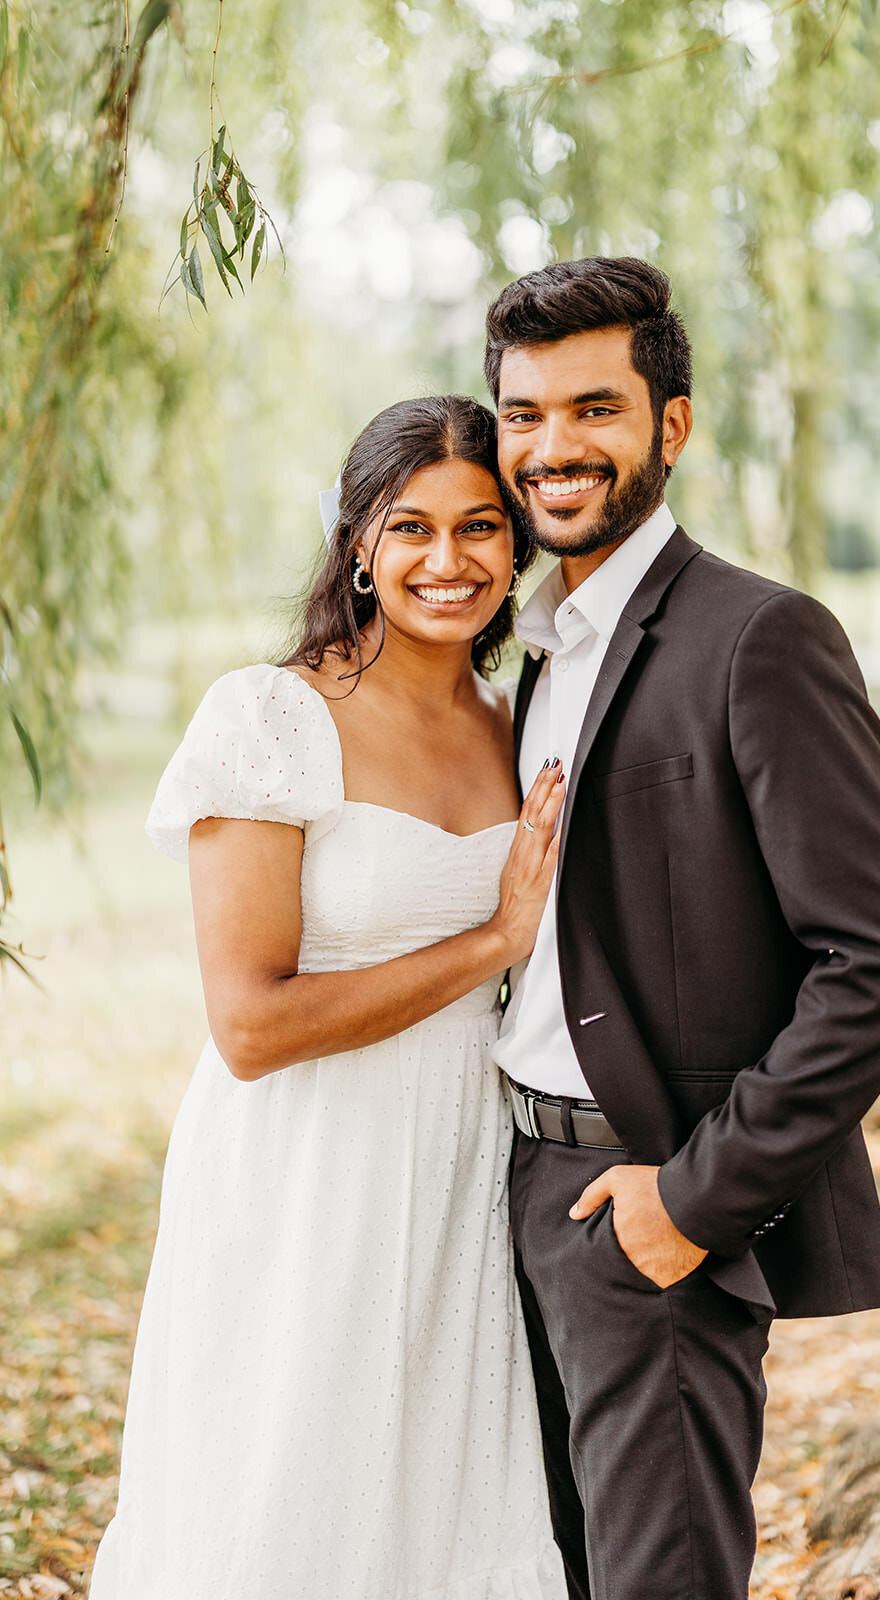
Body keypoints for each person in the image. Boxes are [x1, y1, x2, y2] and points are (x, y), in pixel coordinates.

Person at [485, 257, 880, 1600]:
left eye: (593, 408)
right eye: (522, 415)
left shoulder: (757, 637)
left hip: (647, 1214)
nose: (552, 447)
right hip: (507, 1193)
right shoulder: (539, 646)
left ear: (669, 425)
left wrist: (693, 1203)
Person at [89, 395, 568, 1600]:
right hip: (303, 1166)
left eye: (478, 527)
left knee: (438, 1499)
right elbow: (250, 1026)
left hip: (463, 1157)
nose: (445, 562)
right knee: (289, 1491)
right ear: (356, 541)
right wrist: (493, 937)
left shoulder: (520, 725)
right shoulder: (270, 718)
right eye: (409, 528)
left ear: (516, 545)